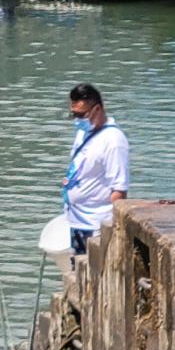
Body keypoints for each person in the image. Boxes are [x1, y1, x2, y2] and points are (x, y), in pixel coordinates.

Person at [63, 82, 129, 256]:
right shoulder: (83, 133)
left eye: (81, 115)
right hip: (77, 220)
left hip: (96, 225)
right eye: (73, 114)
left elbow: (119, 190)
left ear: (97, 109)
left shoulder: (113, 141)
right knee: (77, 268)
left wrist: (113, 228)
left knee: (93, 270)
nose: (77, 120)